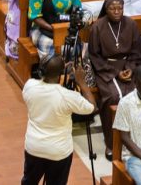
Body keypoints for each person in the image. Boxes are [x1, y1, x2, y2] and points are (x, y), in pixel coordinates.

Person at [21, 55, 96, 185]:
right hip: (58, 151)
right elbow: (91, 107)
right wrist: (82, 83)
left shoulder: (29, 86)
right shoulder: (67, 96)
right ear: (62, 73)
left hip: (34, 147)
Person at [88, 0, 141, 158]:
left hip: (128, 66)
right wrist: (115, 72)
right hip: (106, 68)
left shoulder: (131, 24)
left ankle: (134, 140)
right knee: (112, 97)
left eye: (120, 8)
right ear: (106, 10)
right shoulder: (98, 27)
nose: (117, 11)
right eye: (113, 9)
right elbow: (94, 55)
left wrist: (130, 68)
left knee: (136, 95)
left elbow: (137, 51)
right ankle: (112, 142)